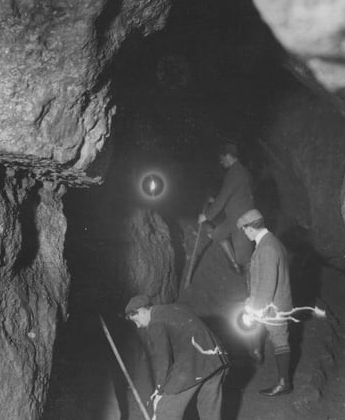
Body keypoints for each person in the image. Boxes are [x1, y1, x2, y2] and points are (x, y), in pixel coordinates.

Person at [125, 295, 229, 420]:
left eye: (136, 320)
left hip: (194, 366)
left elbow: (163, 360)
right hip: (216, 360)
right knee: (210, 412)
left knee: (165, 412)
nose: (138, 326)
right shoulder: (175, 308)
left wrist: (160, 390)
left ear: (142, 311)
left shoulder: (156, 323)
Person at [237, 209, 293, 397]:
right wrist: (251, 300)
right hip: (273, 302)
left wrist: (255, 309)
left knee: (279, 340)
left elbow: (268, 283)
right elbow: (262, 279)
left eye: (244, 230)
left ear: (250, 228)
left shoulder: (267, 247)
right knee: (265, 333)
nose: (244, 234)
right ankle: (256, 355)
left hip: (273, 306)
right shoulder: (270, 242)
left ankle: (284, 383)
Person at [198, 142, 254, 274]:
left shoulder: (236, 173)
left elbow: (224, 195)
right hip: (234, 217)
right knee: (217, 234)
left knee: (245, 259)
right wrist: (215, 200)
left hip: (242, 221)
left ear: (228, 156)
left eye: (221, 158)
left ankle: (253, 291)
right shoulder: (239, 171)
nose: (221, 162)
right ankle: (235, 266)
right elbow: (234, 194)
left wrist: (206, 215)